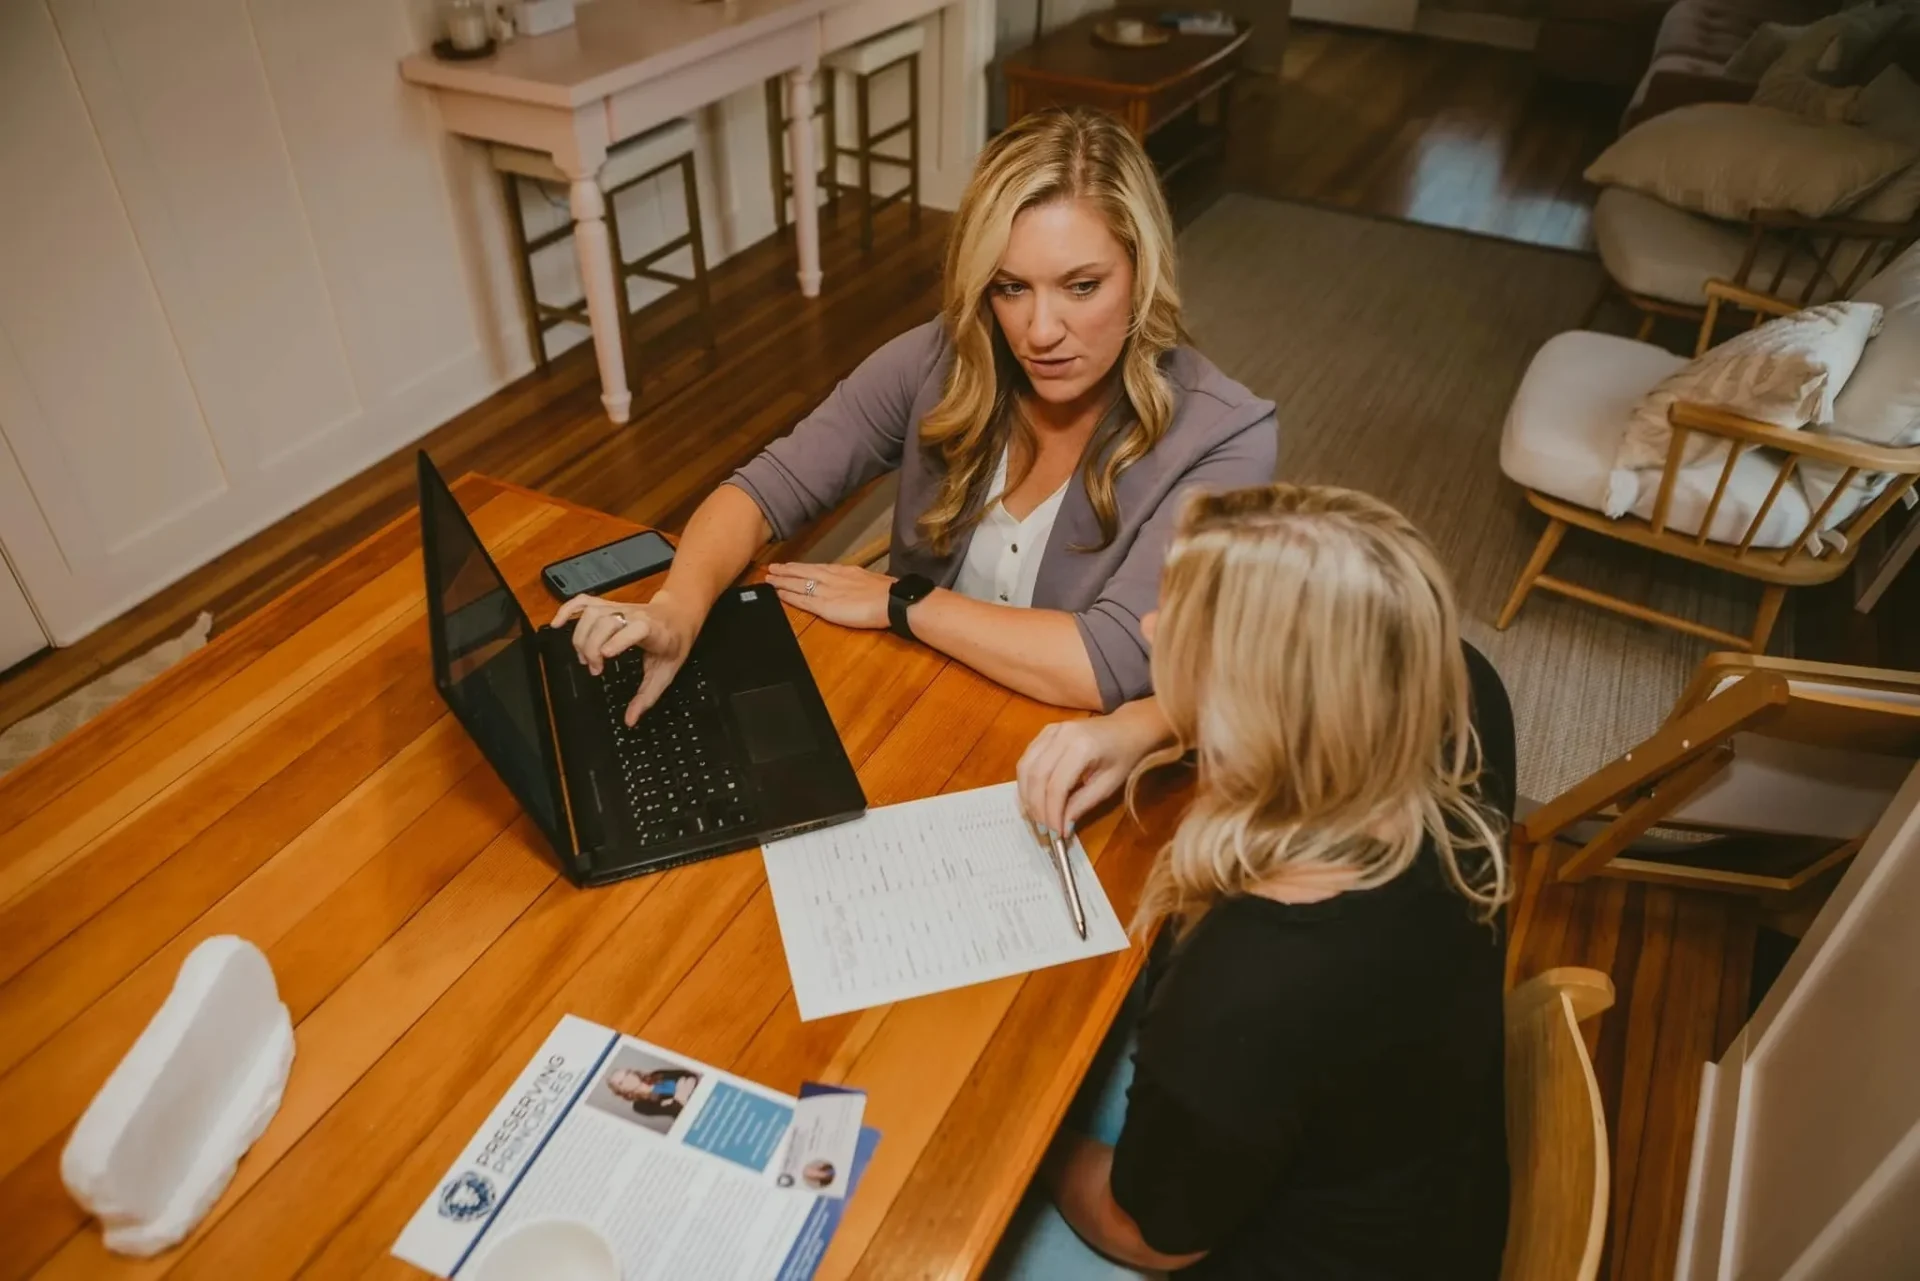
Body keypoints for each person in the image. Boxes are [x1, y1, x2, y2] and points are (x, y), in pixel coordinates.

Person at [553, 107, 1277, 718]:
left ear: (1142, 273)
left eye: (1081, 286)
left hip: (1059, 746)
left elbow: (1109, 661)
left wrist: (903, 604)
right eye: (1011, 287)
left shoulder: (1225, 437)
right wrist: (675, 610)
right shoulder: (943, 357)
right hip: (912, 701)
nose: (1040, 330)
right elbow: (767, 487)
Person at [995, 484, 1516, 1280]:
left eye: (1184, 621)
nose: (1148, 626)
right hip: (1419, 1184)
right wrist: (1141, 725)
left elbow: (1148, 1233)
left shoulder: (1252, 981)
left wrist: (1027, 1138)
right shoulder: (1459, 698)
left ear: (1261, 699)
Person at [606, 1066, 700, 1121]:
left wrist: (679, 1097)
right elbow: (675, 1110)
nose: (628, 1079)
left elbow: (689, 1075)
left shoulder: (657, 1074)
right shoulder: (639, 1106)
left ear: (632, 1072)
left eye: (627, 1074)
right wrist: (682, 1087)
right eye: (621, 1082)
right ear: (620, 1091)